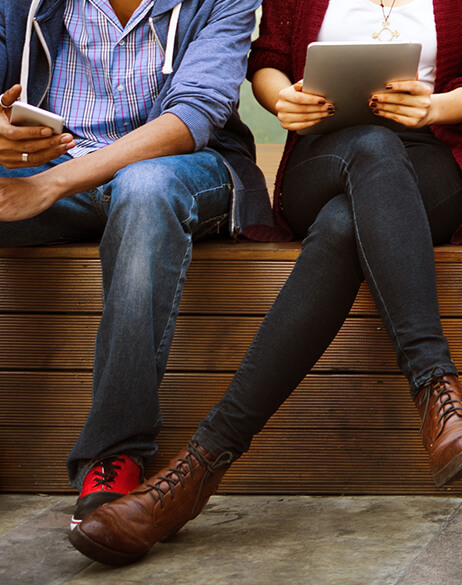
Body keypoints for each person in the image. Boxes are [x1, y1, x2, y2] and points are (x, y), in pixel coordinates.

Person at [68, 0, 462, 566]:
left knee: (344, 223)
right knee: (366, 156)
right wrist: (283, 98)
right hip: (322, 158)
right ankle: (438, 391)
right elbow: (268, 61)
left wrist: (433, 106)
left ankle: (195, 472)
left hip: (430, 161)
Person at [0, 0, 271, 533]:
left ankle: (113, 452)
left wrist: (49, 185)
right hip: (54, 163)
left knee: (142, 189)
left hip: (182, 169)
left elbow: (193, 115)